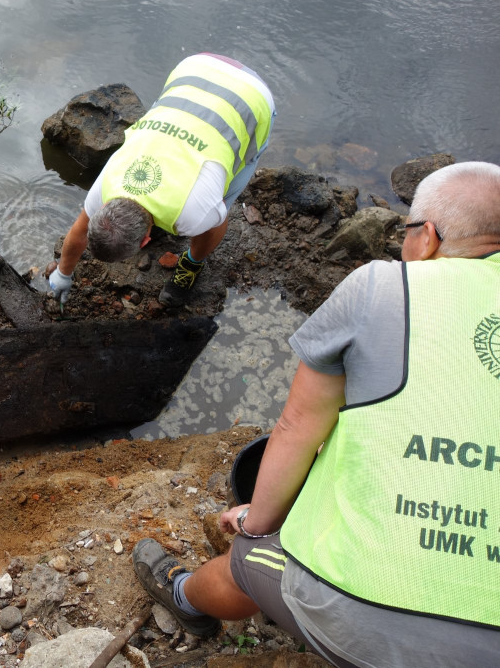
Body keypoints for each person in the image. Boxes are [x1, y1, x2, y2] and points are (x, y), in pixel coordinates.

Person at [132, 161, 500, 666]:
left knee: (249, 558)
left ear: (429, 236)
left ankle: (185, 600)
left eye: (407, 232)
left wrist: (254, 522)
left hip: (378, 625)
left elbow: (299, 426)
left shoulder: (380, 287)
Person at [48, 53, 275, 308]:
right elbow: (80, 230)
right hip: (197, 67)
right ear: (103, 208)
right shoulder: (105, 185)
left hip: (252, 96)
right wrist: (63, 273)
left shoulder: (193, 216)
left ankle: (192, 264)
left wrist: (213, 209)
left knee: (232, 176)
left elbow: (216, 224)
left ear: (145, 241)